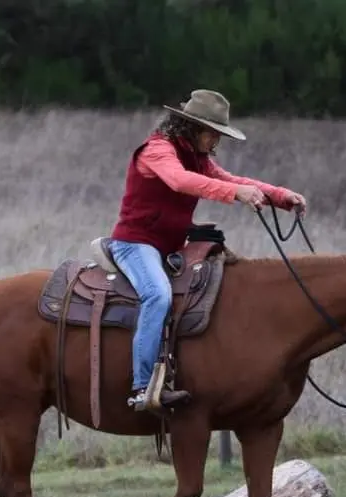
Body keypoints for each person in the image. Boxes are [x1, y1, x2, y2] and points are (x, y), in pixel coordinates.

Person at [107, 89, 308, 412]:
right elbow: (180, 181)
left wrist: (281, 197)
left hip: (170, 247)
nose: (216, 142)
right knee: (157, 295)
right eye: (212, 134)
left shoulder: (197, 158)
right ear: (190, 127)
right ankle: (142, 387)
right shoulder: (157, 151)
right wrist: (236, 193)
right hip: (135, 244)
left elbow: (231, 179)